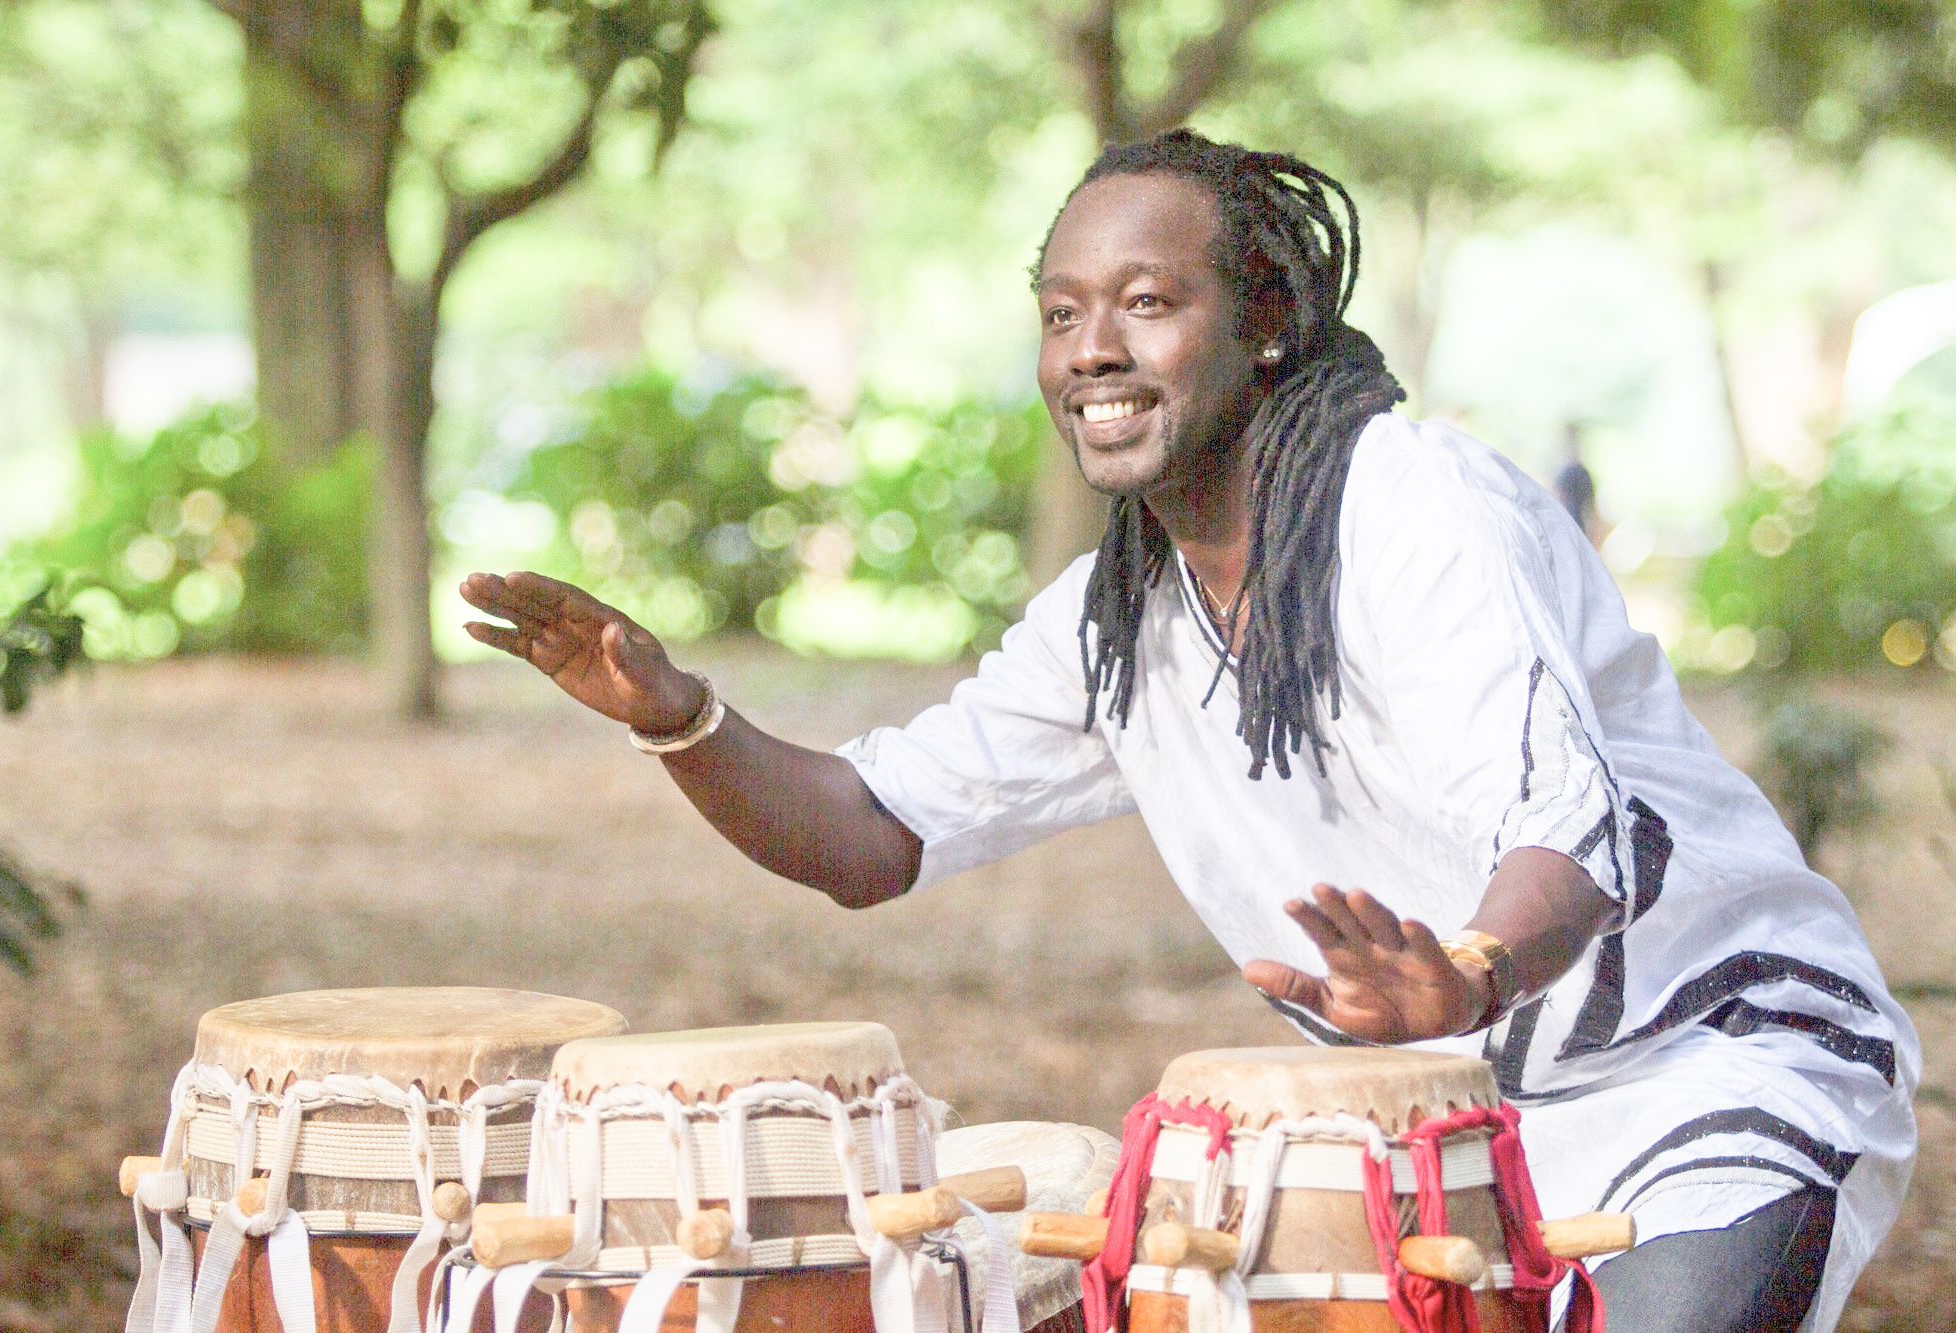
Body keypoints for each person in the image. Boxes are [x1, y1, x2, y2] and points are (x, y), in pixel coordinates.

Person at [460, 130, 1916, 1332]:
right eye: (1061, 313)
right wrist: (681, 718)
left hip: (1709, 1065)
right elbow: (871, 833)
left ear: (1266, 320)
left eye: (1147, 302)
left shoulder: (1410, 503)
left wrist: (1467, 972)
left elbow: (1568, 831)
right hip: (1443, 1126)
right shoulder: (1118, 618)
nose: (1093, 350)